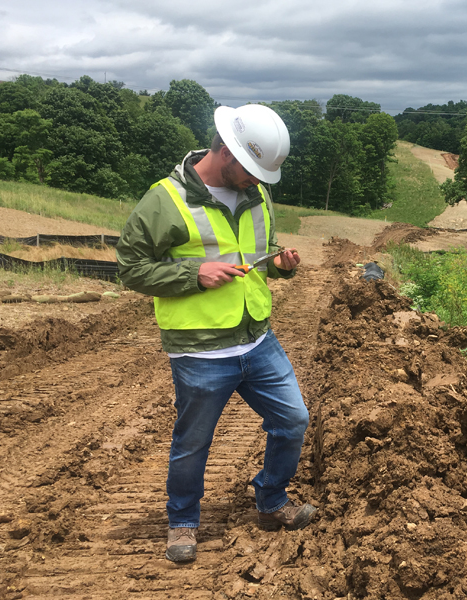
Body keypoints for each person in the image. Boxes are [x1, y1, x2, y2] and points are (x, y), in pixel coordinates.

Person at [115, 104, 316, 563]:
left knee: (293, 421)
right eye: (251, 171)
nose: (258, 182)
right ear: (224, 150)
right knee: (194, 443)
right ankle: (182, 521)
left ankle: (271, 501)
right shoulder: (164, 199)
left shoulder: (258, 193)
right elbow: (131, 268)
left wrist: (280, 265)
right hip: (201, 351)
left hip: (258, 340)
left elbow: (259, 252)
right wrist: (193, 274)